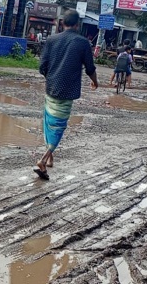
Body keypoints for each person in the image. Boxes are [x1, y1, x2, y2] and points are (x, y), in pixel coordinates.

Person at [37, 10, 99, 180]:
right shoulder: (82, 43)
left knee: (49, 121)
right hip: (67, 90)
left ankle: (50, 159)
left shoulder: (52, 39)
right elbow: (90, 68)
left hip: (51, 87)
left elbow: (42, 66)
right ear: (78, 24)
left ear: (62, 22)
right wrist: (95, 81)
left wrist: (51, 78)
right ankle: (43, 160)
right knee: (59, 125)